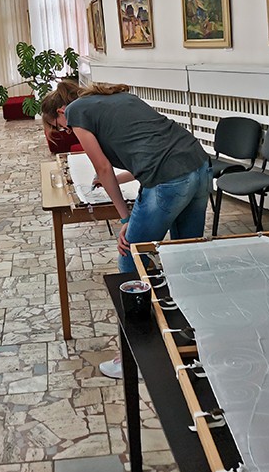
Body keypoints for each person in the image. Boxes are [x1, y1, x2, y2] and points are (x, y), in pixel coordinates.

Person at [41, 80, 212, 378]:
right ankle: (194, 343)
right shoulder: (116, 99)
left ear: (61, 112)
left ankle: (132, 357)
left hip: (170, 179)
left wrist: (125, 219)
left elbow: (103, 167)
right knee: (185, 258)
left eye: (62, 128)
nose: (68, 132)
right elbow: (150, 147)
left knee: (130, 258)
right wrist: (120, 181)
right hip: (199, 166)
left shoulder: (76, 111)